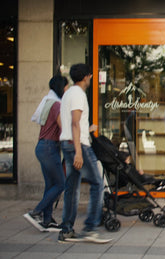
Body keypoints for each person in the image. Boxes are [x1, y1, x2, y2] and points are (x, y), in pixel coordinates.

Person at [58, 63, 110, 244]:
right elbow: (75, 123)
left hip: (67, 143)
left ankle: (66, 230)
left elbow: (67, 123)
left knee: (72, 187)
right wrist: (79, 152)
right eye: (91, 76)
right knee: (97, 182)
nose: (91, 79)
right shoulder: (79, 95)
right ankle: (89, 228)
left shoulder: (67, 94)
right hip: (78, 145)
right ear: (87, 76)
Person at [24, 74, 69, 232]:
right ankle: (36, 212)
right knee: (60, 184)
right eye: (66, 86)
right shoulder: (56, 105)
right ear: (60, 88)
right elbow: (63, 127)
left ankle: (47, 219)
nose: (67, 89)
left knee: (51, 184)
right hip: (50, 148)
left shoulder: (49, 103)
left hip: (43, 147)